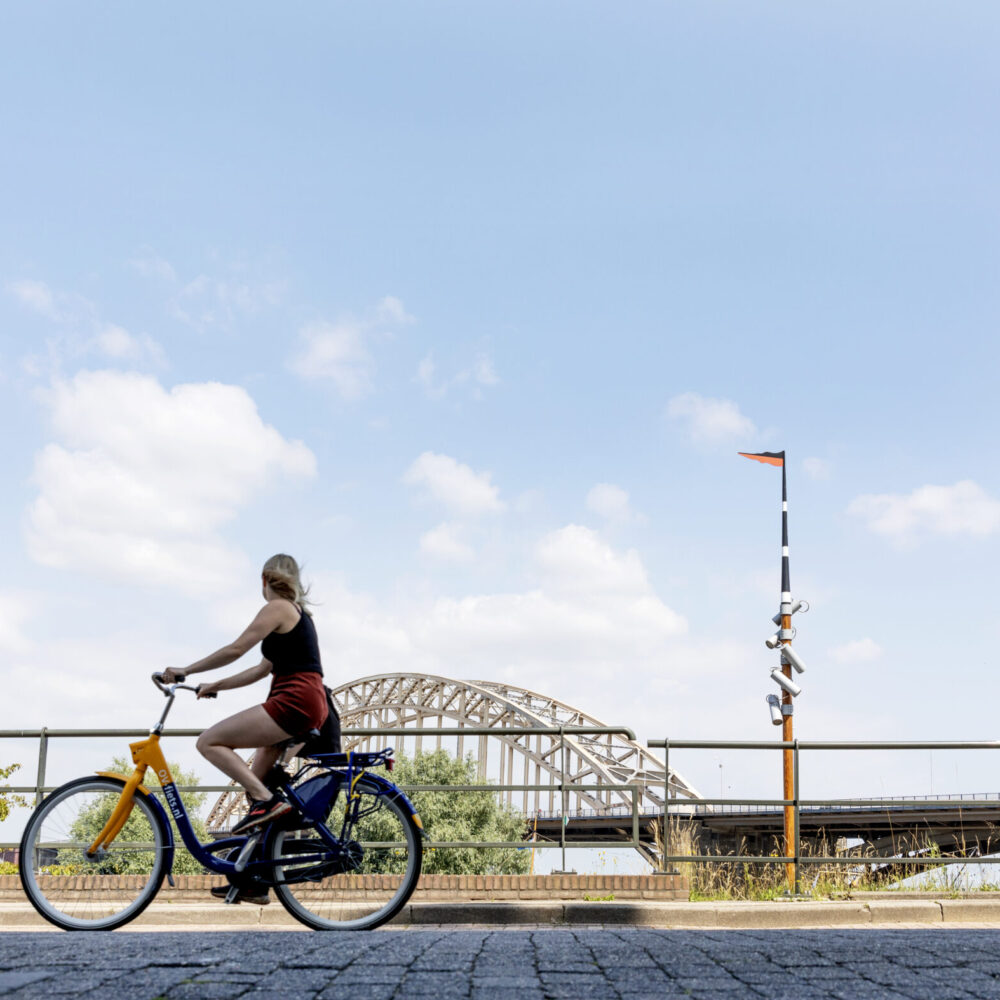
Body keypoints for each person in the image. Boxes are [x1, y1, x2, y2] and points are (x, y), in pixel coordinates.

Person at [162, 553, 328, 837]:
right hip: (310, 701)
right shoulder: (298, 614)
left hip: (295, 700)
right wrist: (216, 685)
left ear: (264, 580)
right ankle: (271, 845)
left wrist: (185, 670)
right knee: (256, 785)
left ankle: (268, 802)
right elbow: (261, 670)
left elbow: (236, 649)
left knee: (209, 742)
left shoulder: (278, 608)